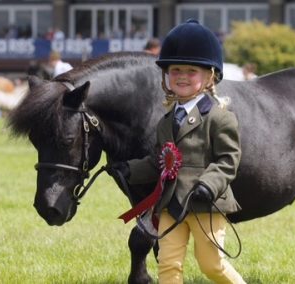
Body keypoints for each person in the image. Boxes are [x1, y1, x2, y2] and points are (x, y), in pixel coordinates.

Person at [110, 19, 245, 284]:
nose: (182, 76)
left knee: (212, 266)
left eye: (191, 71)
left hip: (206, 204)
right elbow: (160, 162)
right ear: (166, 76)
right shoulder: (166, 121)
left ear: (209, 76)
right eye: (175, 70)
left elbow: (229, 160)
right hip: (171, 204)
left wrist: (209, 184)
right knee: (168, 265)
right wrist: (130, 169)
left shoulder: (219, 117)